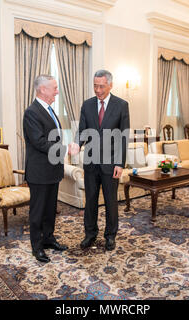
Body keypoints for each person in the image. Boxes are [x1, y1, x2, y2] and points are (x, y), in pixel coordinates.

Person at [69, 70, 130, 251]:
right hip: (91, 162)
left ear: (110, 85)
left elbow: (124, 136)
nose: (98, 90)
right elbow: (82, 131)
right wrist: (77, 145)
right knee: (91, 200)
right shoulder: (87, 105)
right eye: (95, 86)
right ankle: (90, 234)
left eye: (101, 86)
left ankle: (110, 236)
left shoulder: (121, 105)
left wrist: (120, 163)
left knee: (111, 201)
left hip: (111, 163)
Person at [23, 75, 68, 263]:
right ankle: (37, 247)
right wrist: (65, 149)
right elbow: (40, 142)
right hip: (39, 171)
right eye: (54, 88)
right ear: (43, 89)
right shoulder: (31, 112)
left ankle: (49, 239)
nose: (57, 91)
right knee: (38, 212)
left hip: (53, 170)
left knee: (50, 209)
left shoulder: (50, 110)